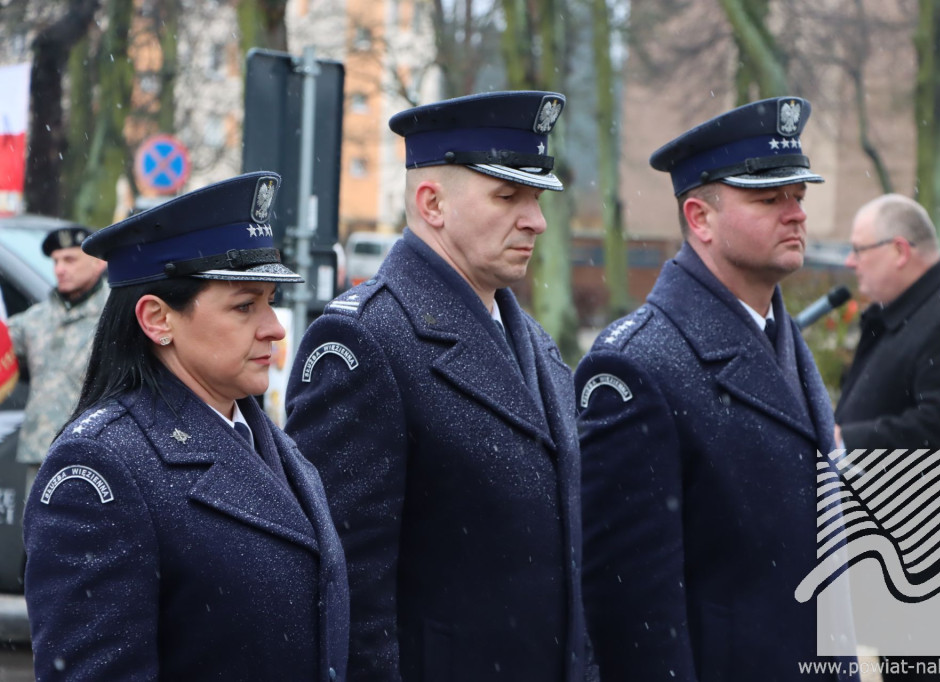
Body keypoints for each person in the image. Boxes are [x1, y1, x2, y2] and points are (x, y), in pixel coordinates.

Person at [285, 91, 588, 682]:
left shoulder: (529, 339)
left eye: (537, 197)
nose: (536, 219)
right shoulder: (365, 341)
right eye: (509, 196)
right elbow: (348, 594)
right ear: (432, 203)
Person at [22, 172, 349, 682]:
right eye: (245, 306)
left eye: (270, 301)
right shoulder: (103, 466)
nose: (275, 328)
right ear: (157, 319)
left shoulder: (265, 437)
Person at [575, 97, 855, 680]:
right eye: (768, 198)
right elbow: (634, 615)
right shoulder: (639, 365)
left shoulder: (776, 332)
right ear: (700, 218)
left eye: (798, 196)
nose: (796, 213)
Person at [835, 194, 940, 682]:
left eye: (858, 249)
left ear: (899, 250)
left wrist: (846, 440)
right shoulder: (913, 311)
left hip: (935, 567)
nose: (850, 262)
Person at [7, 225, 108, 486]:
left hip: (97, 455)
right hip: (41, 456)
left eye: (70, 259)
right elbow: (3, 344)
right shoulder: (36, 319)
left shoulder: (115, 317)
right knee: (36, 527)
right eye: (55, 261)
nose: (59, 269)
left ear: (98, 263)